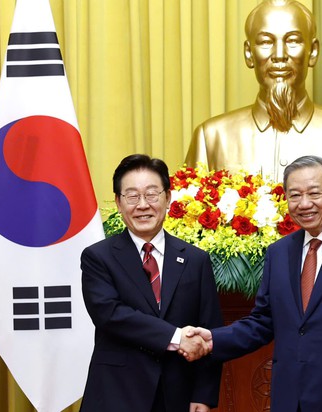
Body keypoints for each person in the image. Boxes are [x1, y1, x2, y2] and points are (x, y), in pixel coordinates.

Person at [185, 155, 322, 412]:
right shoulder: (279, 252)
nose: (305, 203)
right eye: (295, 195)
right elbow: (263, 321)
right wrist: (213, 340)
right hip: (289, 400)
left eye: (314, 193)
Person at [79, 154, 223, 412]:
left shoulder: (196, 260)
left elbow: (210, 330)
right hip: (116, 394)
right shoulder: (98, 257)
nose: (143, 205)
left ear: (168, 198)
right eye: (132, 196)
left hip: (178, 396)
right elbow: (110, 314)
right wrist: (177, 337)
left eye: (152, 194)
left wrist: (204, 395)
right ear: (119, 203)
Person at [185, 0, 322, 182]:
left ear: (313, 52)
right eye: (266, 42)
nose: (279, 55)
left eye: (293, 40)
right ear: (249, 53)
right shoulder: (211, 138)